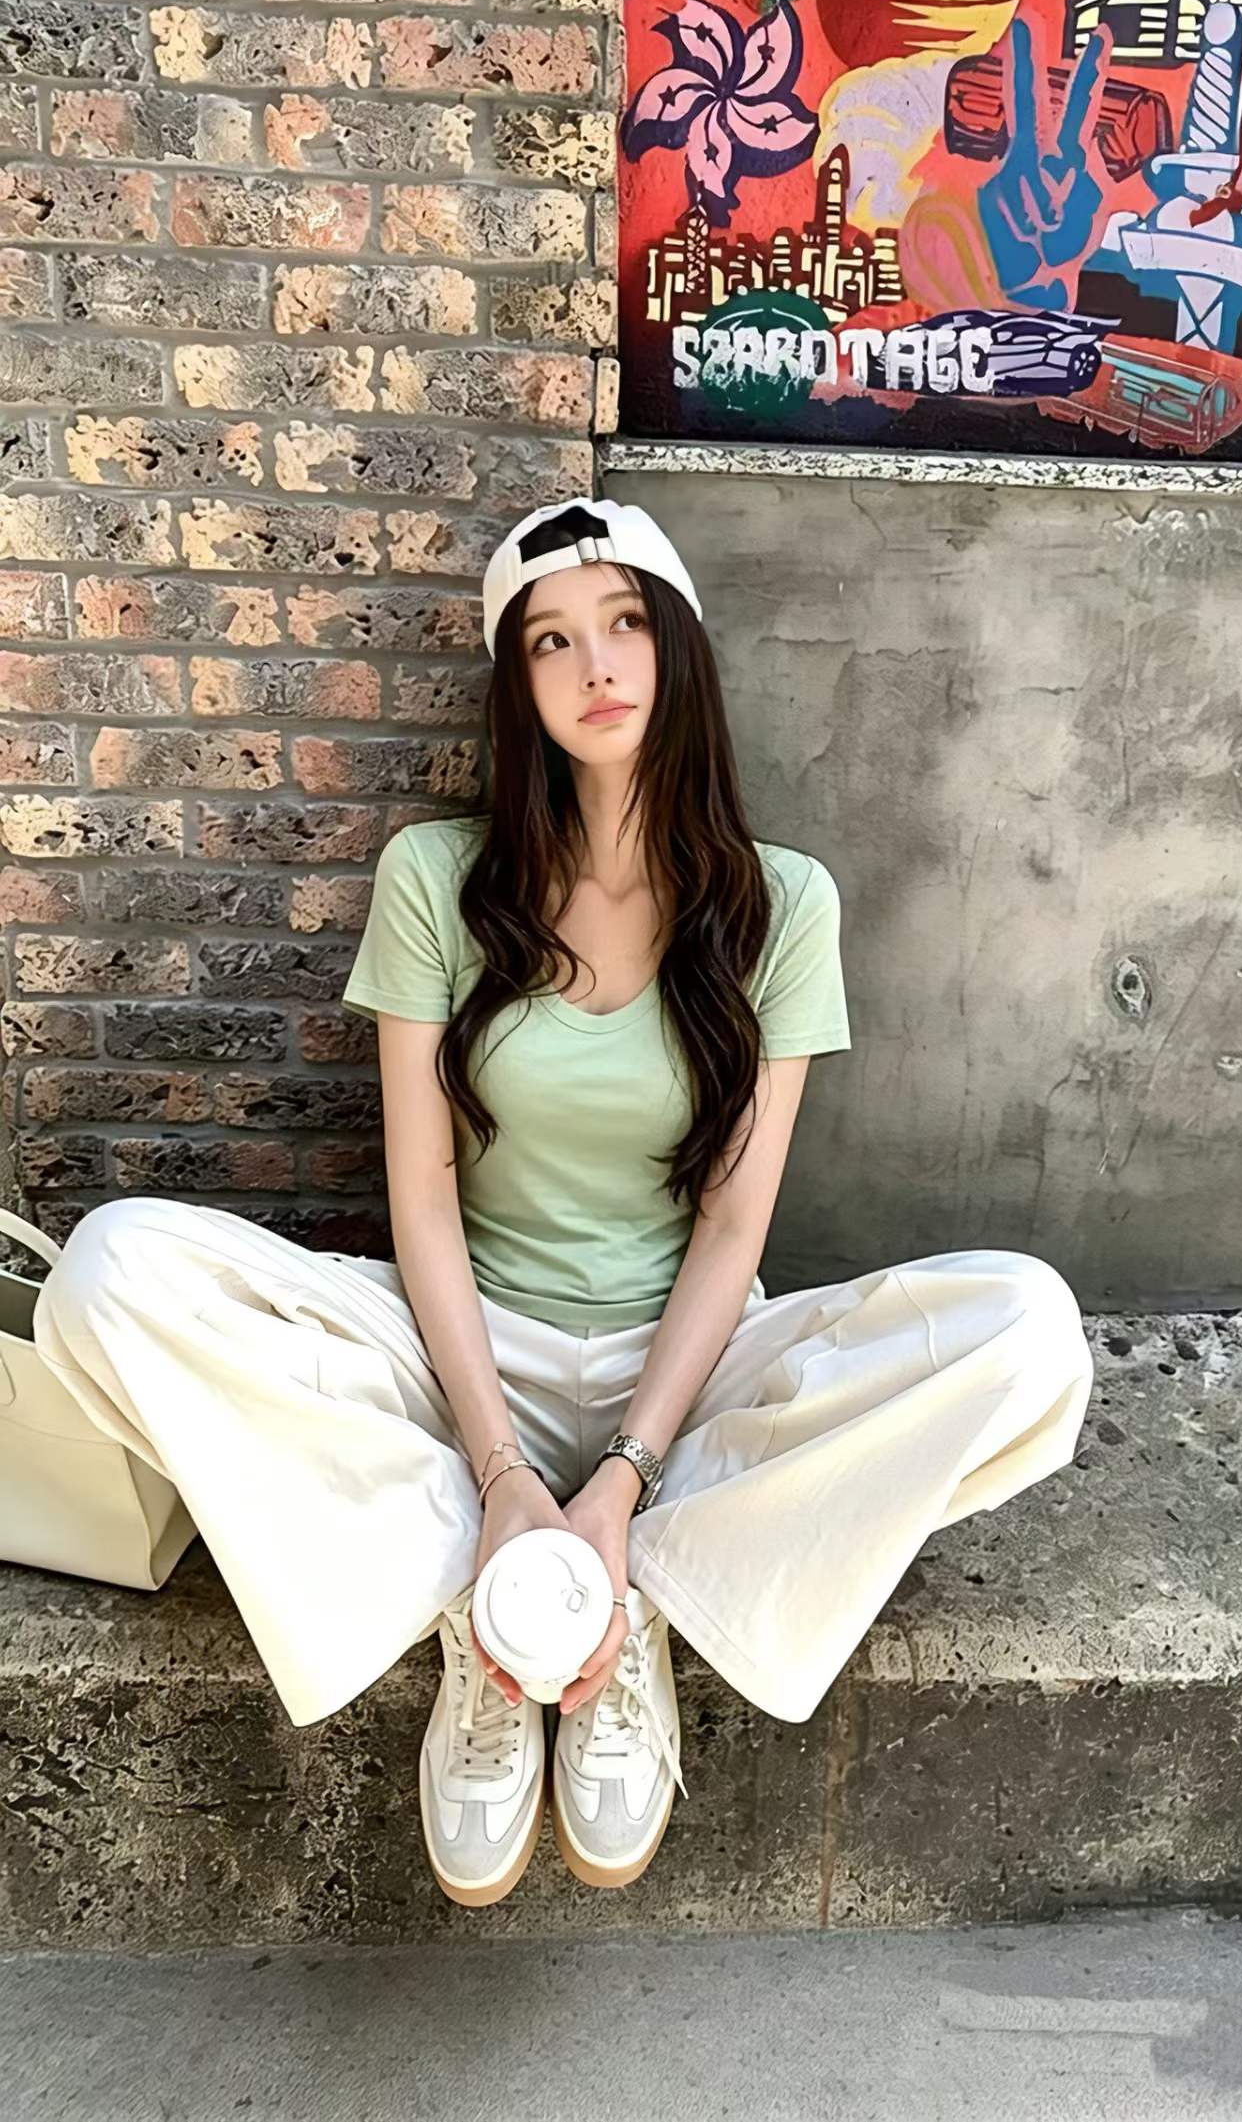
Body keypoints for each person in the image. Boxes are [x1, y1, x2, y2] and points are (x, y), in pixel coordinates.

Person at [33, 493, 1095, 1908]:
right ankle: (496, 1599)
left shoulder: (784, 905)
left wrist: (626, 1470)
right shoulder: (438, 880)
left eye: (625, 623)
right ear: (518, 684)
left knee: (1032, 1337)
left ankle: (627, 1586)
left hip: (691, 1374)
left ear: (677, 647)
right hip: (459, 1358)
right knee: (107, 1277)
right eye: (551, 640)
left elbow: (733, 1229)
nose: (596, 664)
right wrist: (500, 1472)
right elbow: (420, 1203)